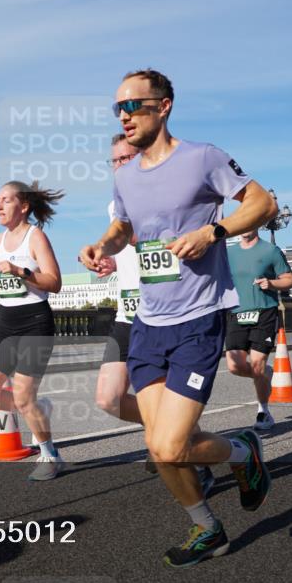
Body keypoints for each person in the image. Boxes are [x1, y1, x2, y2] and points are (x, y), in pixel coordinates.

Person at [80, 69, 277, 567]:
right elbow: (124, 226)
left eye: (133, 106)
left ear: (163, 106)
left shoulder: (202, 158)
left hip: (198, 318)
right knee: (160, 443)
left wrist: (214, 232)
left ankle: (240, 451)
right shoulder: (125, 175)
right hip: (149, 322)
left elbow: (263, 202)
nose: (123, 116)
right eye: (117, 109)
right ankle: (208, 528)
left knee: (168, 447)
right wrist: (103, 246)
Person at [94, 134, 216, 492]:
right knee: (108, 398)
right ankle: (171, 434)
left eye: (125, 158)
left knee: (167, 427)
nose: (118, 166)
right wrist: (111, 262)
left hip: (170, 315)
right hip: (127, 311)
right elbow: (139, 254)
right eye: (113, 161)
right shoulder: (114, 206)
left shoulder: (166, 193)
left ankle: (189, 452)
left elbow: (159, 241)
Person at [0, 180, 65, 481]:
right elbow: (10, 286)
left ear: (23, 206)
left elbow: (53, 282)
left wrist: (20, 271)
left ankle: (49, 455)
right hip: (7, 324)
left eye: (5, 200)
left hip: (35, 322)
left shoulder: (35, 237)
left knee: (24, 396)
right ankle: (37, 408)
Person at [225, 228, 292, 431]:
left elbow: (291, 280)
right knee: (234, 366)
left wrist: (271, 283)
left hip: (264, 312)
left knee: (256, 365)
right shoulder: (229, 253)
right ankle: (264, 373)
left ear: (256, 225)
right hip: (236, 313)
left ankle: (263, 411)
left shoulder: (270, 251)